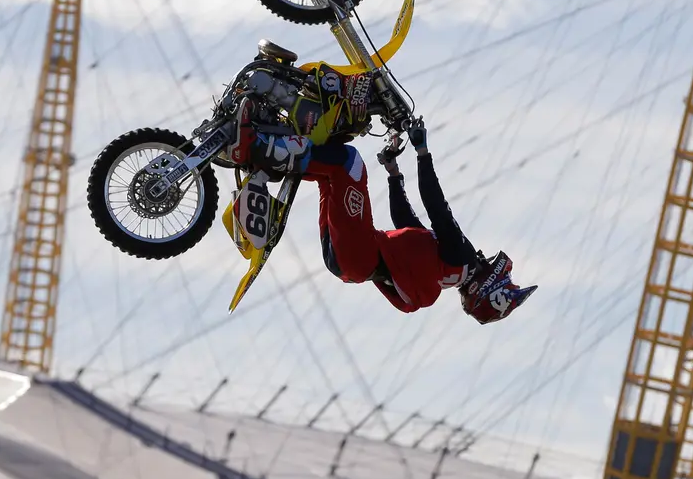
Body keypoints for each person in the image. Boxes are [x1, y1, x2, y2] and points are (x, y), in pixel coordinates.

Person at [227, 97, 537, 324]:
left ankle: (255, 144)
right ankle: (262, 152)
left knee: (349, 163)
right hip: (348, 262)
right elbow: (406, 222)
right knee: (327, 166)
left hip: (360, 252)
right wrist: (394, 174)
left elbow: (436, 205)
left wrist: (422, 151)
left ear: (488, 287)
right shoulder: (445, 273)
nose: (486, 258)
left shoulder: (462, 259)